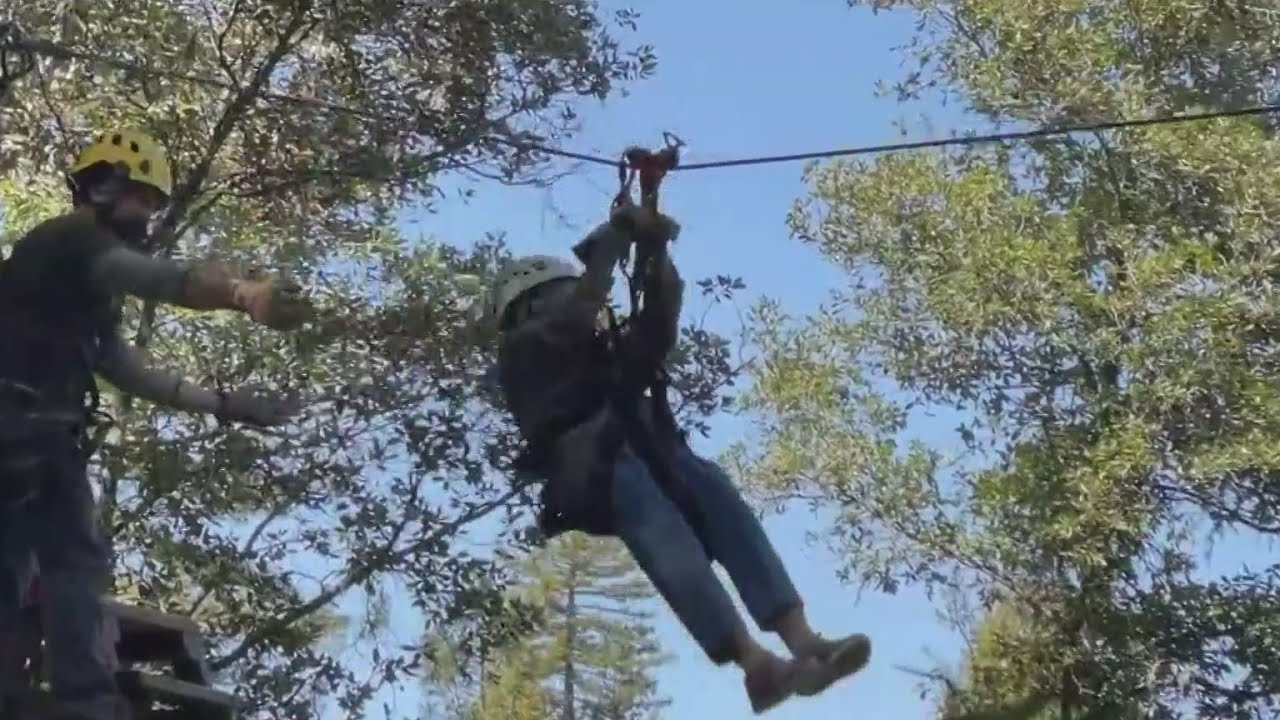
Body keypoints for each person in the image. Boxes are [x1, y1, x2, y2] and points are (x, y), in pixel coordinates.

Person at [485, 203, 871, 714]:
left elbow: (656, 332)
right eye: (563, 291)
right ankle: (753, 659)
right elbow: (573, 320)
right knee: (653, 516)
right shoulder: (523, 348)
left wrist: (654, 251)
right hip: (593, 466)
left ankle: (802, 641)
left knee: (713, 488)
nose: (583, 300)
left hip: (642, 451)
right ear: (532, 303)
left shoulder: (597, 350)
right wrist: (612, 247)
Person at [0, 129, 311, 720]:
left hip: (29, 432)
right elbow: (155, 278)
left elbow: (129, 371)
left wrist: (222, 404)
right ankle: (85, 704)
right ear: (101, 186)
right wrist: (243, 294)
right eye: (138, 197)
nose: (145, 214)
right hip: (28, 428)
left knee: (13, 564)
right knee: (71, 561)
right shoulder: (72, 241)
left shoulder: (81, 288)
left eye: (152, 203)